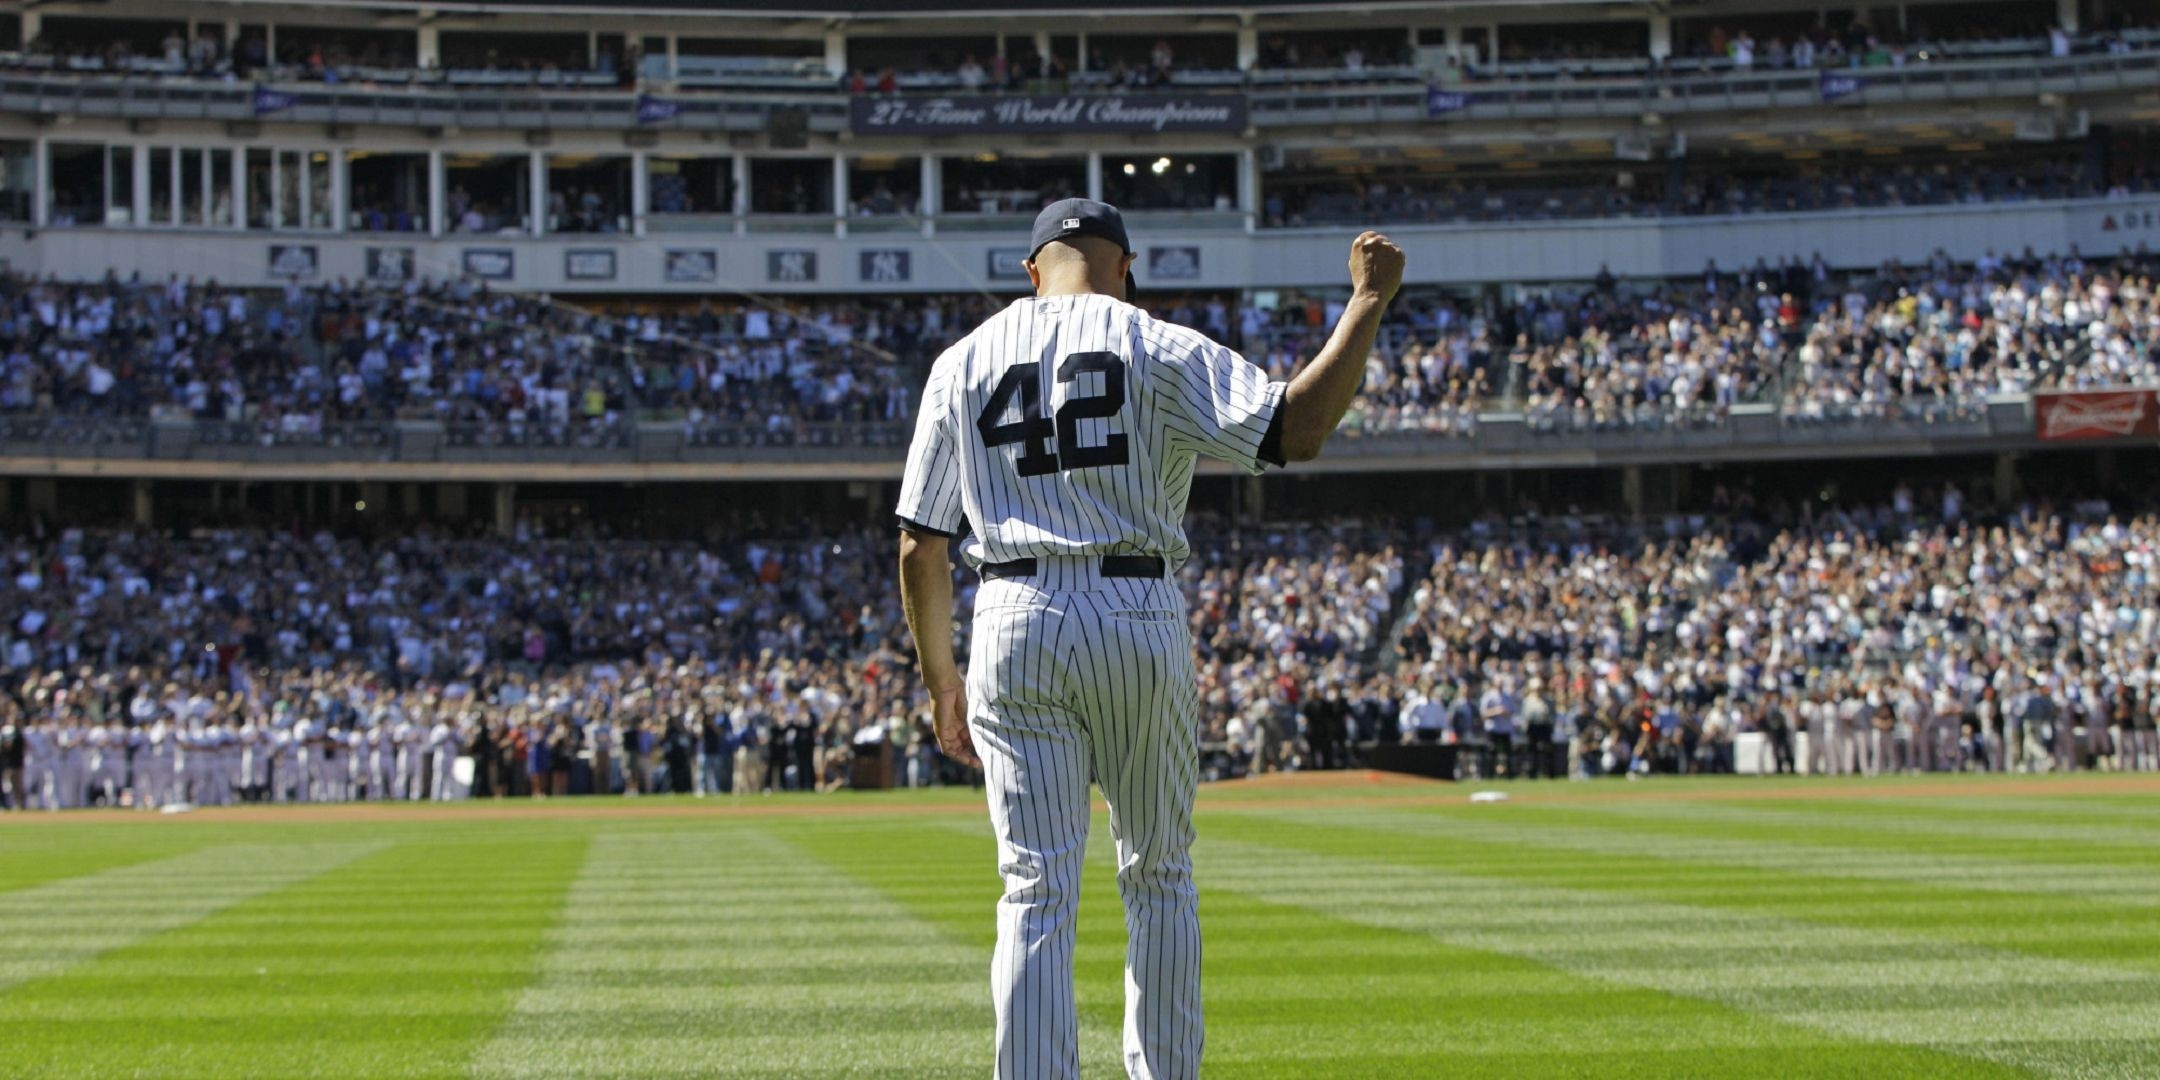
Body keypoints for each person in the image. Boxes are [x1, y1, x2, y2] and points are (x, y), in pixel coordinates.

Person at [895, 197, 1403, 1080]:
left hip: (1009, 614)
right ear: (1124, 266)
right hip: (1134, 606)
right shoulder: (1154, 342)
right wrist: (1366, 302)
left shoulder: (961, 360)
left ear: (1032, 270)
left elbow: (919, 542)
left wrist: (941, 679)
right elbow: (1299, 429)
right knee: (1158, 875)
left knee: (1034, 892)